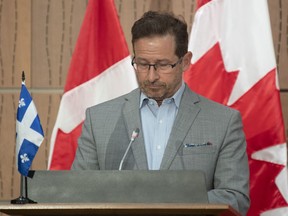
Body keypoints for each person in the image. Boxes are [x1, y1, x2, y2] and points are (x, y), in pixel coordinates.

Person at [72, 11, 250, 215]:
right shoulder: (99, 120)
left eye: (163, 65)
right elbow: (79, 194)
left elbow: (234, 197)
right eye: (142, 64)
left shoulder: (224, 122)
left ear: (185, 61)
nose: (151, 76)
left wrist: (162, 201)